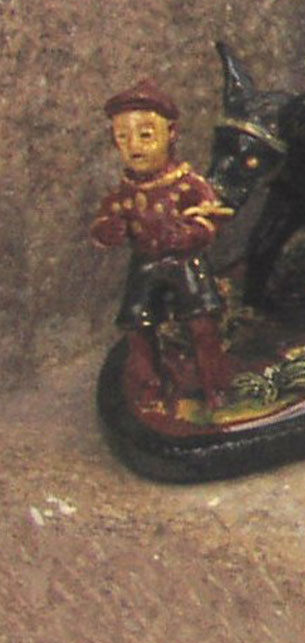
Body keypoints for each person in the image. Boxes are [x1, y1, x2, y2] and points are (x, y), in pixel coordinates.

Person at [91, 80, 235, 409]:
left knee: (202, 324)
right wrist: (108, 230)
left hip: (186, 264)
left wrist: (191, 234)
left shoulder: (188, 185)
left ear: (171, 133)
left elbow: (210, 217)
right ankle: (149, 385)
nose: (134, 146)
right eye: (123, 137)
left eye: (145, 135)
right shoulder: (124, 194)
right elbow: (102, 225)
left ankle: (215, 386)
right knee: (137, 326)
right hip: (145, 264)